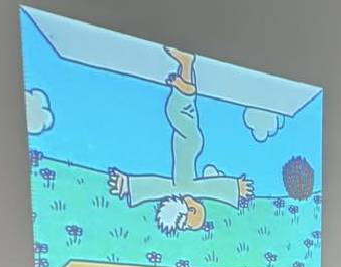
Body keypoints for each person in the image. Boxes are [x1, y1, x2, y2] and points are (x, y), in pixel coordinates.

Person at [108, 47, 253, 234]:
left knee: (184, 110)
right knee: (177, 110)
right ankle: (187, 84)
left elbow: (154, 187)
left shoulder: (178, 189)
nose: (197, 206)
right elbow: (213, 189)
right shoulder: (188, 189)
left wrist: (127, 184)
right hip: (188, 141)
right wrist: (236, 189)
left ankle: (186, 65)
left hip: (188, 141)